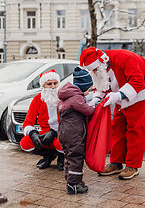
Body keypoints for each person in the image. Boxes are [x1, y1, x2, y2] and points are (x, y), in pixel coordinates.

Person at [79, 47, 145, 180]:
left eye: (94, 69)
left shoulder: (126, 58)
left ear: (101, 63)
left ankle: (132, 165)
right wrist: (96, 98)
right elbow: (103, 84)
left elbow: (137, 81)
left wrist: (119, 95)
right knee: (117, 128)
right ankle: (116, 162)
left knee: (136, 130)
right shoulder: (102, 67)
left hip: (141, 93)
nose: (94, 72)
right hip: (120, 96)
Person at [57, 67, 95, 195]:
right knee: (76, 157)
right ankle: (74, 186)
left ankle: (71, 180)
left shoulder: (66, 97)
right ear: (83, 86)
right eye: (89, 89)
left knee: (68, 156)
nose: (89, 92)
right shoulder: (76, 98)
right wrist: (94, 105)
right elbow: (88, 111)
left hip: (64, 132)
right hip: (74, 134)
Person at [20, 69, 64, 170]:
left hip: (62, 131)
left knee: (61, 142)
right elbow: (28, 121)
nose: (53, 87)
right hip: (44, 131)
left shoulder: (63, 96)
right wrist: (32, 133)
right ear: (43, 85)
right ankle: (48, 156)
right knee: (25, 143)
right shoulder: (37, 99)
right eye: (49, 84)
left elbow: (70, 120)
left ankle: (62, 158)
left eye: (55, 83)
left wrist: (54, 132)